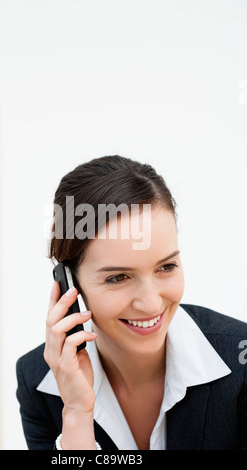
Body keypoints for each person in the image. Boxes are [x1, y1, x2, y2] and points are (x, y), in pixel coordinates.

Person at [16, 155, 247, 450]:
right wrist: (76, 414)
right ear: (70, 284)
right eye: (118, 277)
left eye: (166, 267)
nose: (151, 304)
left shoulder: (240, 362)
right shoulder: (39, 382)